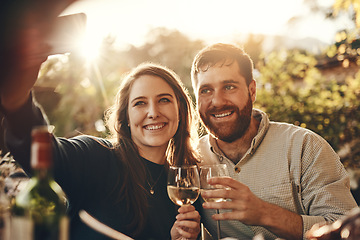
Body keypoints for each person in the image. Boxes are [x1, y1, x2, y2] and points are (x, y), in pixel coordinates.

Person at [0, 4, 201, 240]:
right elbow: (45, 156)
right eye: (139, 103)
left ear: (181, 109)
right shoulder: (98, 157)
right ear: (125, 118)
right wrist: (17, 100)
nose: (153, 112)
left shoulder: (185, 186)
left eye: (164, 100)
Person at [190, 43, 358, 240]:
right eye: (206, 90)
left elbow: (346, 230)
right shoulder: (192, 158)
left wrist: (264, 213)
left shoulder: (305, 146)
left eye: (229, 87)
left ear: (252, 91)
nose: (217, 101)